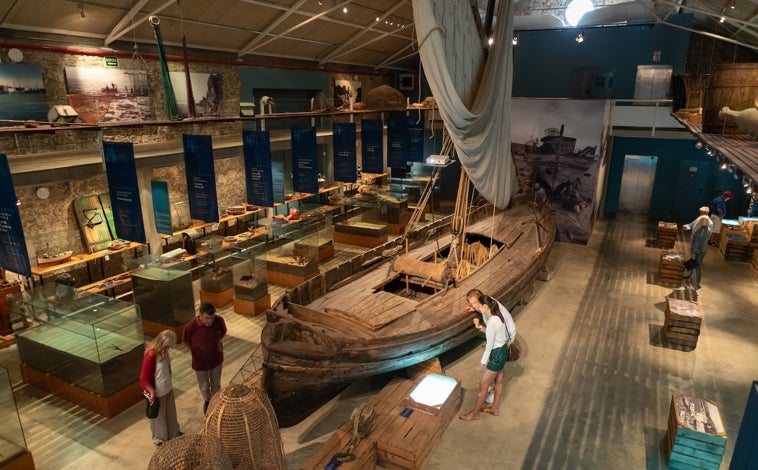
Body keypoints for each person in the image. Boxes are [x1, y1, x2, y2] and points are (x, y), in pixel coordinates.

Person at [460, 294, 514, 421]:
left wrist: (482, 363)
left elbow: (489, 345)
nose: (476, 306)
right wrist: (479, 326)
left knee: (483, 385)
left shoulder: (492, 322)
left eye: (478, 304)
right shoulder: (497, 316)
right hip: (503, 350)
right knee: (499, 381)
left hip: (496, 354)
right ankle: (495, 408)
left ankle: (474, 414)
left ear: (485, 306)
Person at [183, 302, 227, 414]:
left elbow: (222, 332)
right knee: (204, 386)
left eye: (212, 318)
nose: (210, 321)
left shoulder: (219, 321)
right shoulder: (190, 326)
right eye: (207, 318)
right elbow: (186, 342)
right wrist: (197, 351)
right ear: (200, 315)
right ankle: (207, 401)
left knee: (216, 385)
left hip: (216, 359)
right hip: (200, 363)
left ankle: (214, 404)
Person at [140, 330, 181, 446]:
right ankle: (160, 439)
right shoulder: (151, 354)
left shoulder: (164, 352)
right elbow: (144, 377)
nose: (170, 348)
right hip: (158, 391)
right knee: (159, 417)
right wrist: (151, 391)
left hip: (167, 387)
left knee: (171, 413)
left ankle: (174, 433)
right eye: (169, 346)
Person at [682, 206, 713, 290]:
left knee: (696, 266)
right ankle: (692, 280)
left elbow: (698, 242)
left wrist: (694, 254)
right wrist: (687, 226)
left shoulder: (703, 230)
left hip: (698, 250)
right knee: (696, 265)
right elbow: (692, 225)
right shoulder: (704, 225)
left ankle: (695, 284)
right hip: (701, 249)